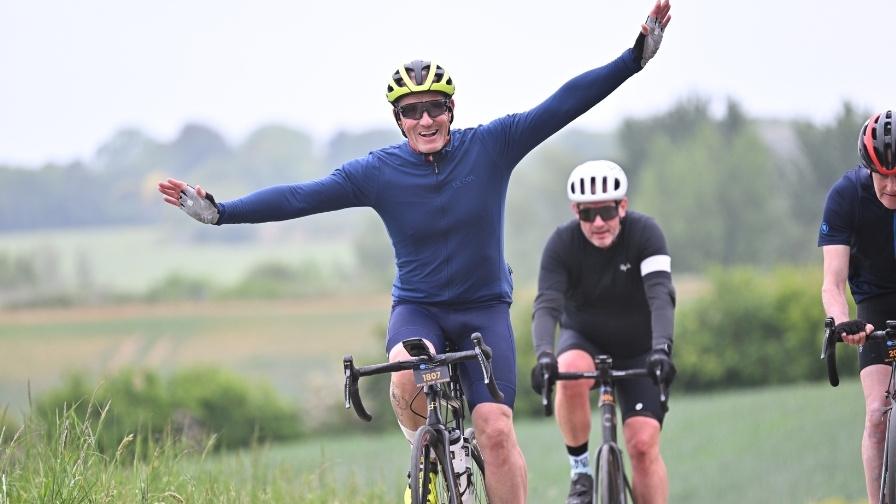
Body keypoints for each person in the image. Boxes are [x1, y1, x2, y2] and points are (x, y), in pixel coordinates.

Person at [158, 3, 671, 501]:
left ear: (451, 110)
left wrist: (634, 59)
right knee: (404, 366)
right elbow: (299, 197)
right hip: (419, 308)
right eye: (411, 111)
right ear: (398, 119)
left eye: (435, 107)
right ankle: (424, 456)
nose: (425, 120)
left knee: (495, 430)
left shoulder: (491, 146)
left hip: (483, 309)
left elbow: (562, 104)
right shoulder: (377, 172)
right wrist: (222, 212)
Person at [529, 160, 676, 504]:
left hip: (641, 348)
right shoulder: (561, 244)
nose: (598, 223)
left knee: (642, 446)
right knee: (567, 372)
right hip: (585, 340)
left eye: (607, 211)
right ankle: (580, 472)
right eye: (587, 213)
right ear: (575, 211)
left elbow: (660, 296)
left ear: (622, 206)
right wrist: (544, 354)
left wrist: (662, 349)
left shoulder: (646, 234)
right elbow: (547, 304)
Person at [819, 109, 896, 504]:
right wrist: (842, 321)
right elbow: (833, 283)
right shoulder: (846, 196)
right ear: (869, 168)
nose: (891, 185)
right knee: (877, 414)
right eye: (883, 175)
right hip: (875, 301)